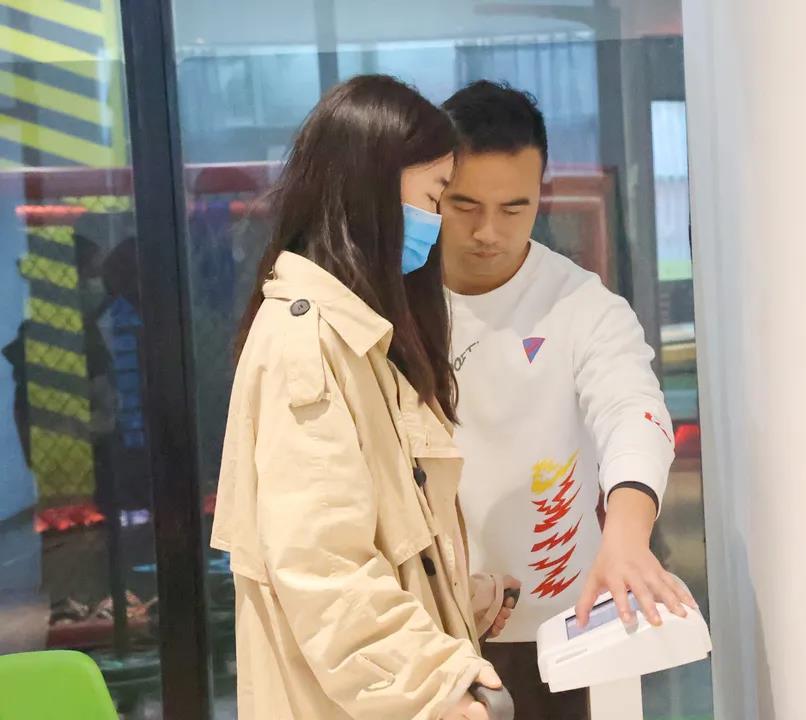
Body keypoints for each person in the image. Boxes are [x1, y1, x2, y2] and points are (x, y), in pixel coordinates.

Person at [210, 75, 512, 720]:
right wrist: (438, 684)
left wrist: (458, 597)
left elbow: (376, 536)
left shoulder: (356, 337)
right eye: (434, 195)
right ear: (372, 184)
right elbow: (323, 568)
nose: (436, 221)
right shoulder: (308, 342)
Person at [441, 80, 696, 719]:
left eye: (513, 208)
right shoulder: (391, 302)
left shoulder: (583, 306)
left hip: (558, 629)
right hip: (428, 626)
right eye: (465, 205)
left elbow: (633, 413)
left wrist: (628, 535)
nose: (487, 231)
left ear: (542, 195)